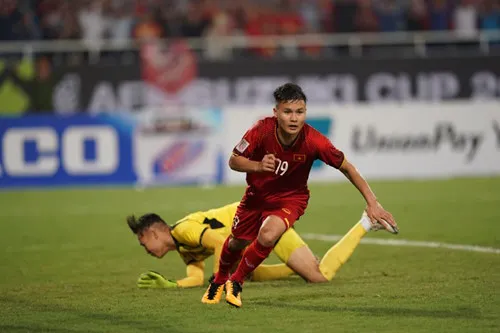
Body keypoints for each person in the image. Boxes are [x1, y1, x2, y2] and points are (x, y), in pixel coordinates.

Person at [202, 83, 399, 308]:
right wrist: (257, 166)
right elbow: (233, 161)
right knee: (238, 242)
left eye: (300, 112)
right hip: (256, 197)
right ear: (276, 113)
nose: (294, 118)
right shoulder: (260, 130)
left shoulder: (315, 141)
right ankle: (218, 280)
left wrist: (373, 203)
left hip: (290, 199)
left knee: (267, 235)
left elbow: (348, 168)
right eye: (288, 112)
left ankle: (236, 281)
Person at [127, 201, 393, 289]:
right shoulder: (184, 247)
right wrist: (172, 285)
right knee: (244, 271)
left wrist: (219, 280)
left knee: (319, 276)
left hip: (266, 218)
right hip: (258, 227)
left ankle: (366, 222)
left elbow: (221, 242)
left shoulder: (184, 230)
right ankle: (296, 266)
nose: (146, 250)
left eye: (143, 243)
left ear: (153, 233)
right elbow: (196, 276)